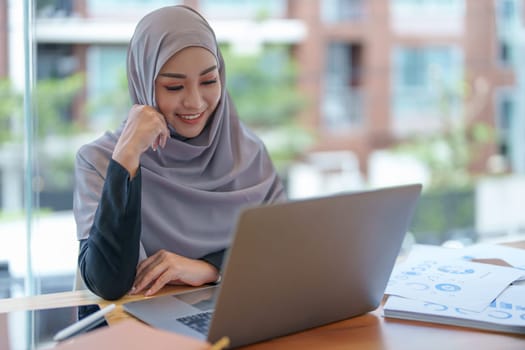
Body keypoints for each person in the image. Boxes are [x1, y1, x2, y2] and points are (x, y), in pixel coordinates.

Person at [73, 5, 286, 301]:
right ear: (144, 83)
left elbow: (282, 249)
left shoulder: (249, 153)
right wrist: (126, 157)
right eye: (174, 87)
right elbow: (108, 282)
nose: (195, 102)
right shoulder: (97, 161)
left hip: (238, 318)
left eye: (209, 81)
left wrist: (209, 268)